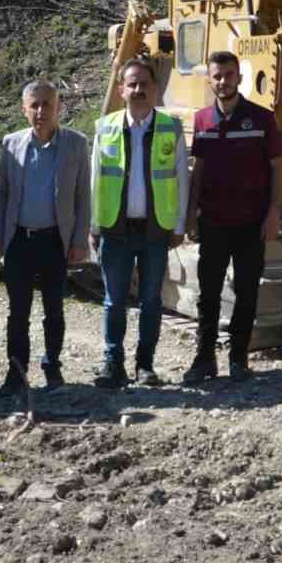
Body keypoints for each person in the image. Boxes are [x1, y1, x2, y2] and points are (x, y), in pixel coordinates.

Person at [183, 50, 282, 384]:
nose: (222, 81)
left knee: (246, 291)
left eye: (228, 74)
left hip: (251, 223)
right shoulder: (201, 121)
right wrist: (191, 215)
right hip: (212, 222)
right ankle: (203, 360)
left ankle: (239, 360)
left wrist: (273, 214)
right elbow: (198, 171)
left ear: (239, 77)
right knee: (208, 294)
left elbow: (277, 169)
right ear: (209, 79)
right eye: (217, 75)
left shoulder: (262, 118)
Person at [90, 59, 189, 389]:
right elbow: (95, 179)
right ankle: (112, 364)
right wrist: (93, 225)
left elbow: (181, 179)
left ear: (154, 88)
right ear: (121, 90)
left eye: (144, 83)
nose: (138, 90)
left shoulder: (171, 128)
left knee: (151, 301)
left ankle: (144, 366)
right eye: (131, 84)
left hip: (154, 230)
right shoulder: (104, 126)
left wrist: (178, 225)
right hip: (114, 228)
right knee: (113, 300)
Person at [0, 81, 91, 396]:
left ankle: (52, 366)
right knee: (18, 311)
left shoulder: (76, 144)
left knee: (53, 309)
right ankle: (16, 372)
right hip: (19, 239)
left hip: (54, 241)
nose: (41, 111)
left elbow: (82, 197)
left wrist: (78, 239)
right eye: (34, 105)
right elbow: (2, 194)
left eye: (47, 104)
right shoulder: (11, 143)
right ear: (24, 109)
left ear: (59, 107)